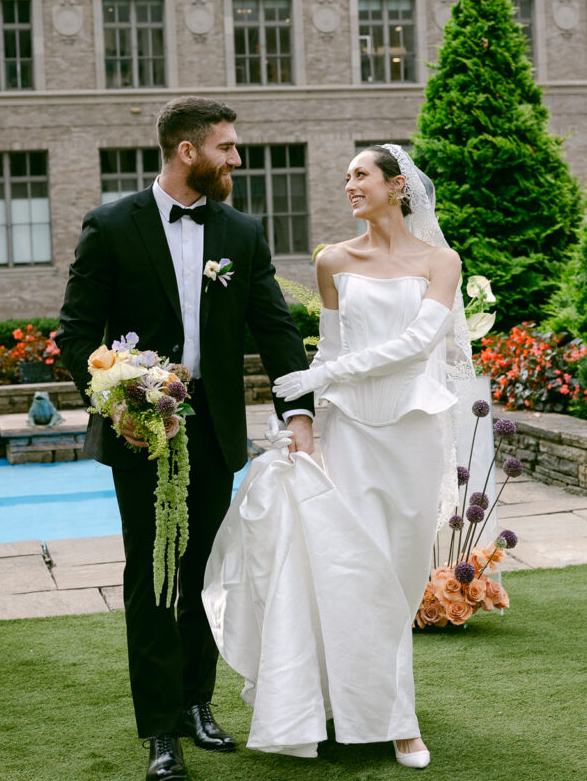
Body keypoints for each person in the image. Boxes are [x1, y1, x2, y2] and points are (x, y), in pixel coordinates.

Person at [57, 96, 314, 781]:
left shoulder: (241, 231)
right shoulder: (110, 226)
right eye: (227, 146)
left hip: (214, 431)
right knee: (152, 577)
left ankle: (199, 703)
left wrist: (301, 411)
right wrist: (121, 393)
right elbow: (76, 333)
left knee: (203, 573)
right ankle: (161, 731)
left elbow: (275, 327)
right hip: (139, 432)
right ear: (187, 151)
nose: (238, 157)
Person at [203, 144, 474, 769]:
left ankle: (381, 702)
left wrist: (319, 380)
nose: (348, 184)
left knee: (400, 580)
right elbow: (327, 350)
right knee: (351, 571)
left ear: (396, 185)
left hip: (410, 434)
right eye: (345, 175)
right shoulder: (332, 260)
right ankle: (393, 721)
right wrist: (303, 420)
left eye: (360, 175)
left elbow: (416, 344)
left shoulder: (441, 261)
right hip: (347, 428)